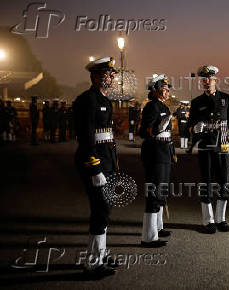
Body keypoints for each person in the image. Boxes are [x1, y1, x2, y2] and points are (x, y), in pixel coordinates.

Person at [73, 57, 119, 278]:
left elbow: (106, 137)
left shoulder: (104, 100)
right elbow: (86, 139)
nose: (110, 77)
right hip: (94, 163)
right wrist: (95, 169)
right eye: (106, 74)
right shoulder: (87, 100)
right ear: (93, 76)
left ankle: (100, 253)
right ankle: (92, 263)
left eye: (112, 74)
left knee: (106, 209)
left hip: (106, 161)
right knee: (100, 211)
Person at [187, 65, 229, 234]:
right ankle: (208, 220)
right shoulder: (196, 102)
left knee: (224, 182)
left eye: (209, 79)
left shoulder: (226, 98)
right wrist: (195, 127)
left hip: (223, 144)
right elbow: (189, 126)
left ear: (215, 80)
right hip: (206, 146)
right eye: (203, 79)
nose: (206, 82)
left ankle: (221, 219)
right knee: (206, 182)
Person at [138, 74, 175, 248]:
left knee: (162, 192)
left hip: (164, 152)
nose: (167, 91)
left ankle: (158, 228)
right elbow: (143, 132)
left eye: (168, 89)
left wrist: (172, 151)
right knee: (154, 193)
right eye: (165, 88)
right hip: (155, 153)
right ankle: (148, 236)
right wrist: (156, 128)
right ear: (155, 90)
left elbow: (169, 135)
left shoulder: (163, 107)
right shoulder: (151, 107)